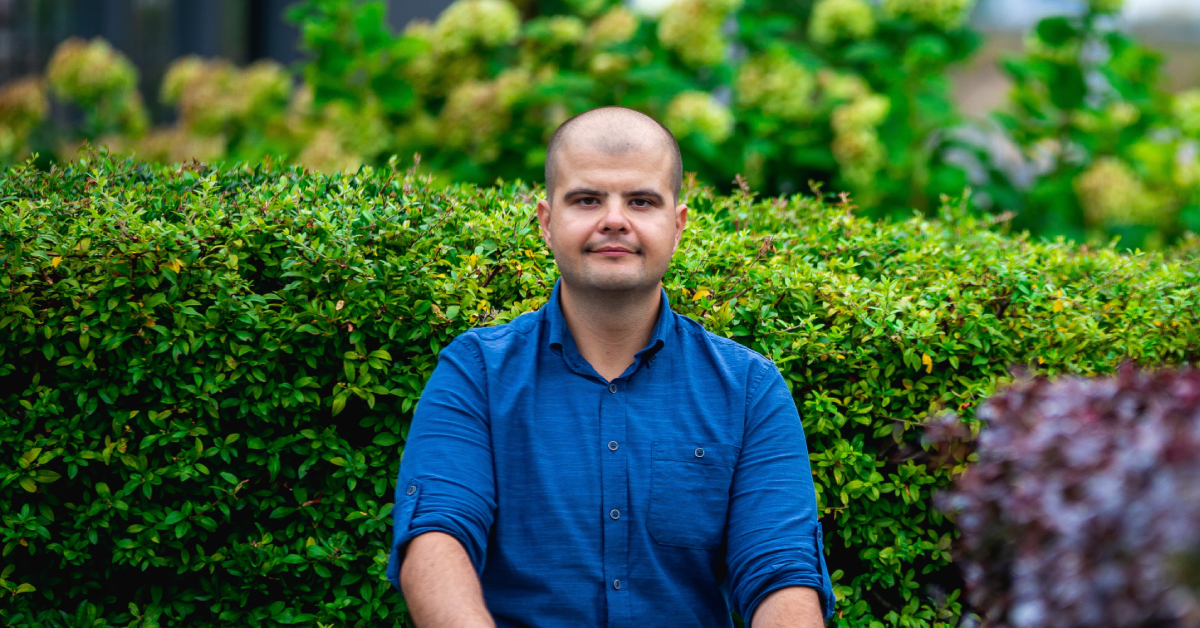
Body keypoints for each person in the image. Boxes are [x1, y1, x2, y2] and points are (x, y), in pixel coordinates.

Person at [385, 106, 834, 627]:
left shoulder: (748, 391)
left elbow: (780, 573)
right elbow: (435, 541)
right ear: (548, 222)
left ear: (677, 224)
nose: (614, 219)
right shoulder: (477, 374)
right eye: (587, 199)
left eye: (641, 201)